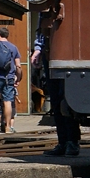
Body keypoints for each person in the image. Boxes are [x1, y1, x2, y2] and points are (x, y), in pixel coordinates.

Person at [35, 22, 80, 157]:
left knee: (65, 100)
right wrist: (38, 48)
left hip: (67, 51)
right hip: (49, 52)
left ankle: (71, 141)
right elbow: (41, 25)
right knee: (56, 100)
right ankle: (64, 142)